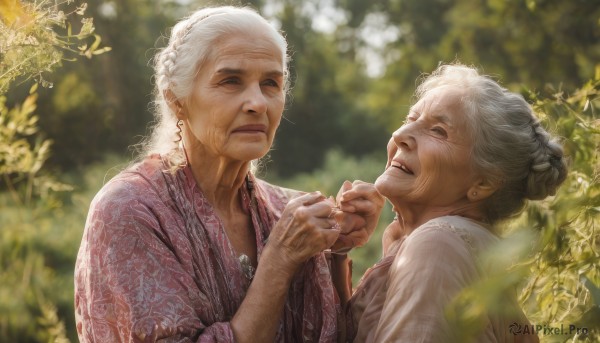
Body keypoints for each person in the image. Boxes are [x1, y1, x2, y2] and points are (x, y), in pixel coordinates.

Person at [74, 6, 383, 342]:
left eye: (270, 83)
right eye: (231, 81)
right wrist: (279, 261)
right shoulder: (130, 210)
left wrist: (334, 250)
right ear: (177, 99)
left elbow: (335, 334)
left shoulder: (285, 207)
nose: (258, 103)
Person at [346, 64, 567, 342]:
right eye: (410, 118)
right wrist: (335, 253)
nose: (401, 135)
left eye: (438, 131)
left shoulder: (437, 245)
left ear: (482, 184)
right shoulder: (449, 243)